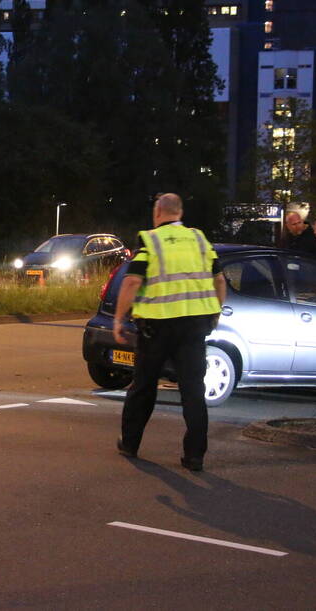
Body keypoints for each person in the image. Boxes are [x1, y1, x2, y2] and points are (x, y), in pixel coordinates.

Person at [112, 193, 227, 472]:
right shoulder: (199, 240)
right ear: (180, 212)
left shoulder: (151, 241)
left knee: (143, 387)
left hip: (157, 326)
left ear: (158, 212)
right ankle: (195, 456)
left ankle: (130, 442)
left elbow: (132, 282)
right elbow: (219, 279)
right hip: (194, 327)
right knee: (193, 391)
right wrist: (215, 312)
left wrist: (118, 319)